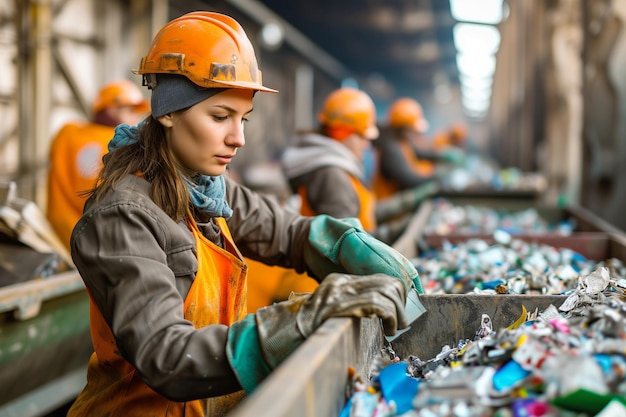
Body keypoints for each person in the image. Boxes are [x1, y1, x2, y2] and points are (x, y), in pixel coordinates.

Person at [66, 11, 423, 417]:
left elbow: (283, 231)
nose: (238, 138)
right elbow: (166, 356)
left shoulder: (205, 190)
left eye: (242, 118)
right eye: (220, 117)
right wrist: (303, 318)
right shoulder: (123, 217)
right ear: (167, 112)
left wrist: (341, 242)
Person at [281, 87, 438, 244]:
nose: (366, 145)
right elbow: (348, 244)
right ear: (342, 133)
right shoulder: (332, 175)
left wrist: (405, 203)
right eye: (362, 137)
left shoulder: (339, 166)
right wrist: (394, 231)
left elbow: (363, 213)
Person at [46, 79, 149, 249]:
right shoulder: (125, 145)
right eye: (130, 110)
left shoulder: (67, 133)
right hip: (106, 236)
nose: (134, 117)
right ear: (111, 108)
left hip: (63, 230)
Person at [372, 97, 451, 200]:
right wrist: (435, 175)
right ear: (403, 127)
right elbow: (408, 179)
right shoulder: (391, 148)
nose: (414, 133)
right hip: (390, 206)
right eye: (411, 129)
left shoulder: (402, 141)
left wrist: (441, 155)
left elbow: (419, 153)